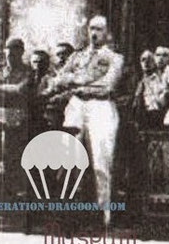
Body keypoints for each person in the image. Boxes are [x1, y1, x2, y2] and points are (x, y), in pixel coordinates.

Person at [52, 15, 124, 226]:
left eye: (100, 29)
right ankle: (68, 213)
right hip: (76, 106)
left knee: (101, 160)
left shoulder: (115, 58)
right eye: (92, 29)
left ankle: (104, 214)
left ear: (108, 33)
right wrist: (78, 82)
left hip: (100, 107)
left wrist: (76, 82)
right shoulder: (77, 56)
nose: (94, 33)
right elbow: (59, 79)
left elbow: (107, 86)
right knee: (67, 159)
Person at [0, 37, 32, 198]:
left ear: (21, 53)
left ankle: (12, 190)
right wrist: (8, 90)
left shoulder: (27, 71)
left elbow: (21, 90)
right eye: (9, 52)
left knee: (12, 153)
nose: (11, 56)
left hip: (16, 116)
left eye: (15, 52)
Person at [132, 50, 166, 130]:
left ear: (154, 62)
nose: (146, 62)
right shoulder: (138, 80)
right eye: (143, 60)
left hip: (154, 116)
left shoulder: (159, 79)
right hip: (139, 118)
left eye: (149, 60)